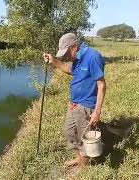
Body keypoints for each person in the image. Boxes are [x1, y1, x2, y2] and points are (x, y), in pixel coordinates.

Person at [43, 33, 106, 167]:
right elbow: (70, 70)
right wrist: (54, 61)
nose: (65, 56)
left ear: (74, 47)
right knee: (69, 132)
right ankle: (79, 159)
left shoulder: (93, 57)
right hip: (74, 104)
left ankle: (84, 169)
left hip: (86, 105)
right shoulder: (77, 58)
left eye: (66, 52)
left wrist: (97, 112)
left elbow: (101, 85)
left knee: (84, 138)